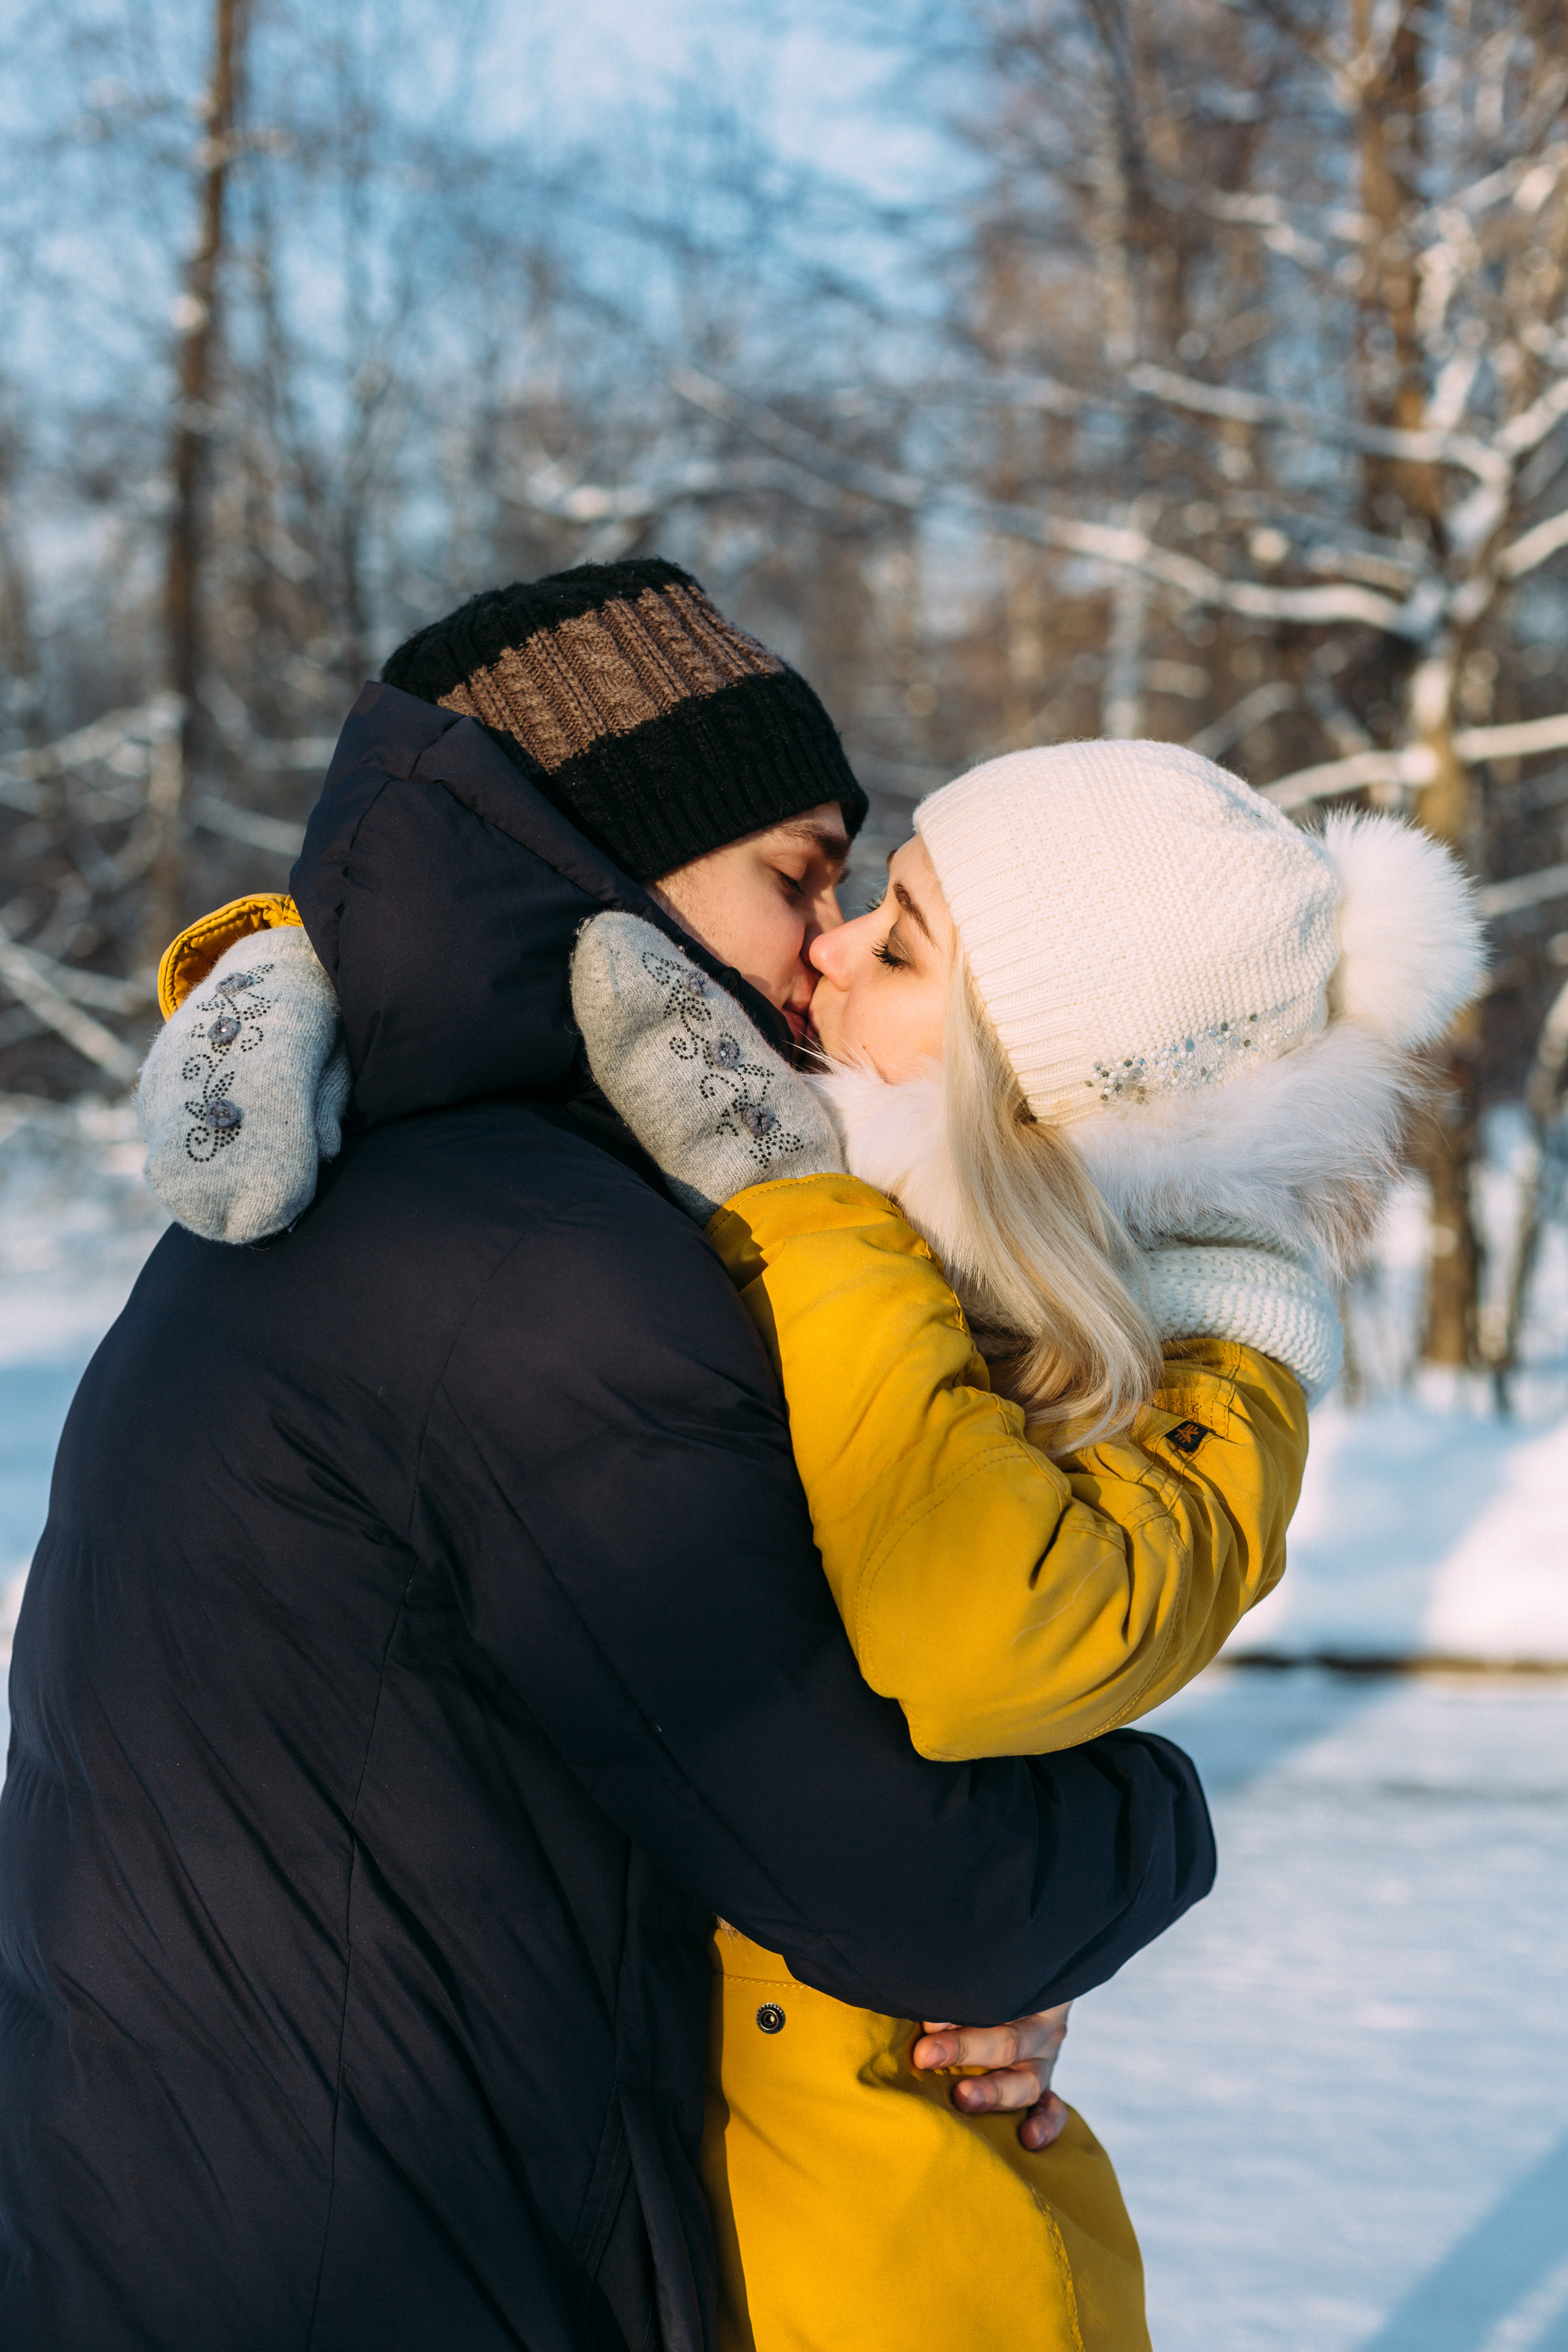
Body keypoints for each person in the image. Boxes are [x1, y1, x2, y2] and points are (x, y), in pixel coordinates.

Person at [156, 696, 1482, 2352]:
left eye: (902, 942)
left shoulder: (1172, 1347)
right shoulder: (796, 1200)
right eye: (847, 896)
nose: (832, 955)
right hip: (619, 2206)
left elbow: (977, 1635)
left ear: (1042, 1082)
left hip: (887, 2265)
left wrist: (804, 1208)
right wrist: (276, 978)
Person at [0, 562, 1218, 2352]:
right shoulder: (533, 1275)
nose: (824, 953)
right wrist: (1157, 1822)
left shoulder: (362, 1197)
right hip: (362, 2269)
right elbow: (894, 1879)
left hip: (196, 2238)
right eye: (797, 876)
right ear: (610, 856)